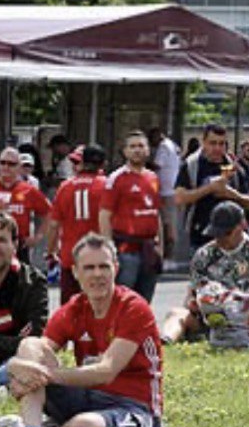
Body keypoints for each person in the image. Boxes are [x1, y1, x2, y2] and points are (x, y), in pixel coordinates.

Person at [0, 234, 163, 427]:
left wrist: (41, 374)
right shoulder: (75, 307)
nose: (97, 274)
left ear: (116, 268)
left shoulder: (134, 308)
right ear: (75, 272)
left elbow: (106, 371)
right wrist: (18, 366)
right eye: (89, 268)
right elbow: (38, 350)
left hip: (133, 405)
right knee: (29, 344)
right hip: (86, 396)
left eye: (104, 266)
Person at [160, 202, 249, 349]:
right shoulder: (204, 255)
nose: (221, 239)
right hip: (210, 318)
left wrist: (233, 298)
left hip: (244, 318)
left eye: (226, 233)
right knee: (176, 314)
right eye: (216, 234)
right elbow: (191, 295)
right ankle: (165, 343)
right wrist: (196, 302)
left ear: (241, 226)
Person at [0, 213, 48, 398]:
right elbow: (21, 342)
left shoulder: (34, 281)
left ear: (15, 244)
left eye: (1, 240)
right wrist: (15, 342)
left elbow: (34, 337)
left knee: (37, 361)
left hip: (13, 365)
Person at [99, 131, 162, 303]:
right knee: (122, 300)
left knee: (144, 301)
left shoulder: (153, 178)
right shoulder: (116, 178)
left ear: (148, 150)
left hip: (149, 249)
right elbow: (104, 215)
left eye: (141, 146)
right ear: (125, 151)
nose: (137, 150)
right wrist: (109, 250)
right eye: (132, 146)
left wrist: (160, 247)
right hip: (126, 251)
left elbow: (156, 213)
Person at [173, 124, 249, 253]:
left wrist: (232, 194)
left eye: (221, 144)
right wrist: (209, 188)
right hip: (199, 237)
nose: (217, 148)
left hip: (231, 240)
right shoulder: (191, 165)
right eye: (213, 143)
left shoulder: (234, 167)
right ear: (204, 143)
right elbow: (179, 198)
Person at [42, 145, 107, 304]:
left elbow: (53, 225)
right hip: (98, 257)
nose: (74, 166)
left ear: (83, 163)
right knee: (99, 305)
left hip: (70, 256)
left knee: (70, 306)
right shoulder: (107, 185)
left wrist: (50, 251)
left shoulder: (66, 187)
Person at [0, 146, 52, 261]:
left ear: (19, 167)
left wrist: (38, 237)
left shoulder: (28, 190)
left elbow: (49, 213)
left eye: (11, 164)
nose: (6, 167)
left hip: (18, 245)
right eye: (2, 163)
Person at [146, 125, 182, 261]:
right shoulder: (172, 145)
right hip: (171, 188)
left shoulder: (163, 147)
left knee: (167, 222)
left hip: (167, 190)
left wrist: (142, 163)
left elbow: (157, 165)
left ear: (158, 135)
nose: (152, 143)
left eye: (152, 139)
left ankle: (169, 252)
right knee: (170, 220)